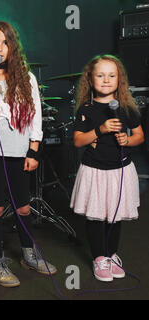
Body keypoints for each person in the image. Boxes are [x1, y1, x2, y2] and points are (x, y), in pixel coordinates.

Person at [0, 21, 57, 288]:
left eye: (5, 42)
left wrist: (33, 149)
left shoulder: (26, 77)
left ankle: (29, 254)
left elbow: (36, 119)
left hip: (20, 152)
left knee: (23, 206)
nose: (0, 47)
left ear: (12, 46)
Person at [70, 54, 144, 282]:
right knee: (95, 217)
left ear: (119, 79)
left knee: (115, 215)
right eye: (100, 75)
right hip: (95, 170)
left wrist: (128, 141)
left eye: (111, 75)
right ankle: (99, 258)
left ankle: (111, 255)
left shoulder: (127, 107)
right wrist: (99, 130)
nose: (106, 80)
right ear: (90, 80)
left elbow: (140, 135)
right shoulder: (87, 108)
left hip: (120, 170)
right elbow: (78, 141)